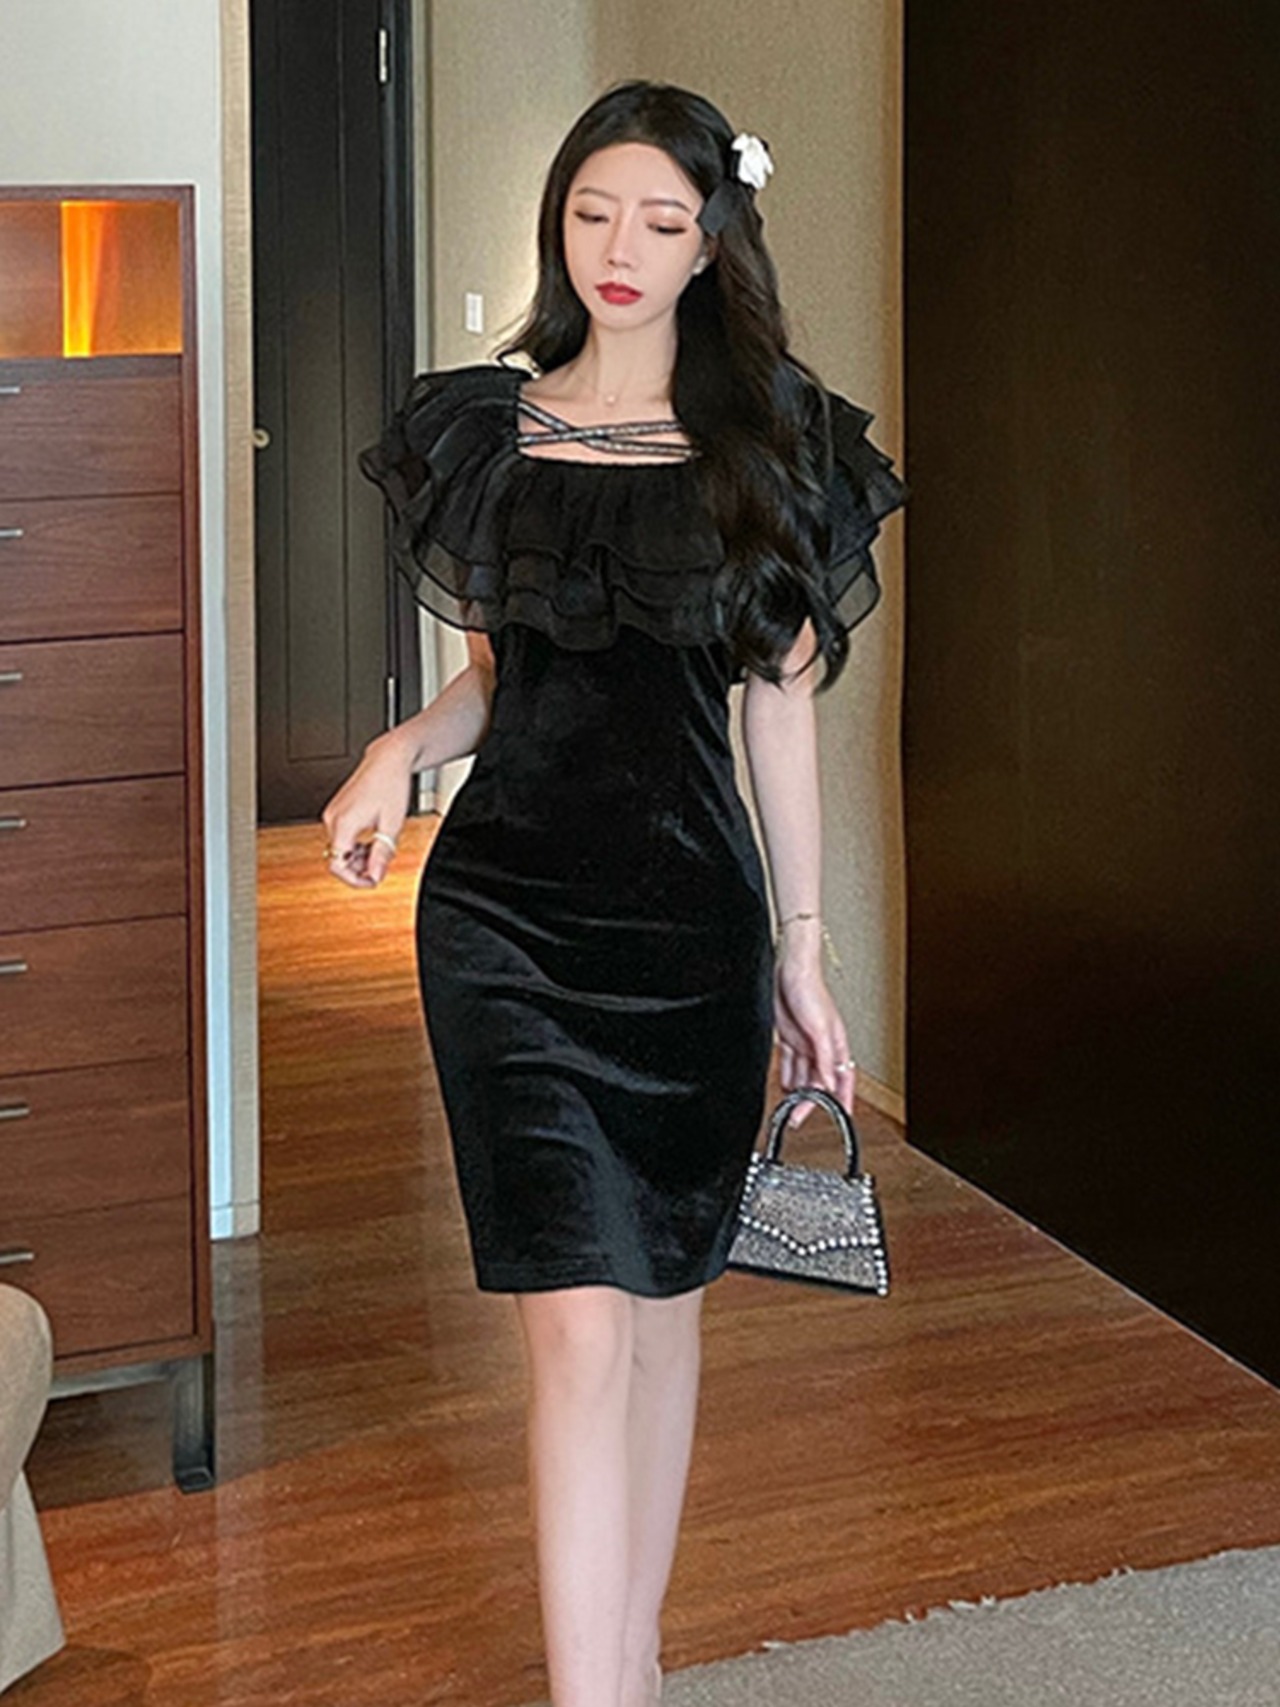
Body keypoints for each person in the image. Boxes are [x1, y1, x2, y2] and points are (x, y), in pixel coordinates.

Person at [321, 78, 906, 1707]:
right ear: (558, 224)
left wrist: (805, 952)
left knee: (660, 1308)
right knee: (575, 1326)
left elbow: (778, 712)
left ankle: (629, 1664)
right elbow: (501, 683)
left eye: (660, 220)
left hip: (691, 931)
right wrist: (395, 750)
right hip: (503, 924)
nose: (620, 248)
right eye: (592, 213)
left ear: (714, 241)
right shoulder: (486, 433)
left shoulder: (773, 445)